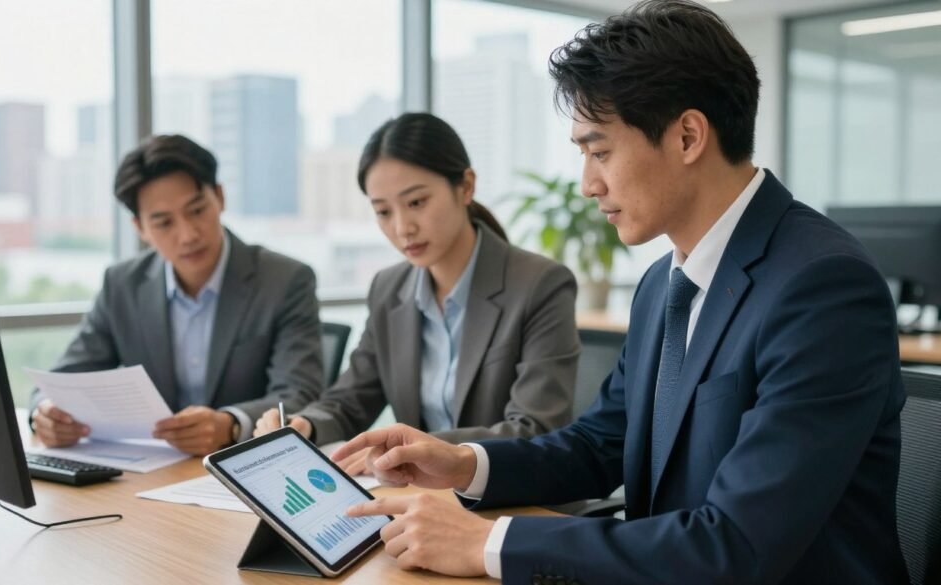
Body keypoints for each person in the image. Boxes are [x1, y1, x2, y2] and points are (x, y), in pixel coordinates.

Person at [333, 2, 909, 583]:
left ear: (687, 135)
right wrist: (461, 464)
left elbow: (736, 545)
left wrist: (488, 543)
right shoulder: (665, 283)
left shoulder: (823, 287)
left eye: (599, 151)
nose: (588, 184)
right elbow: (598, 445)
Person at [255, 113, 581, 475]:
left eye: (416, 203)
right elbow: (349, 401)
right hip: (422, 497)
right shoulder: (388, 289)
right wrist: (307, 426)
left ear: (466, 186)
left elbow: (535, 429)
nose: (402, 227)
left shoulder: (540, 285)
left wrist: (410, 451)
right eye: (383, 211)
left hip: (512, 500)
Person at [29, 134, 324, 456]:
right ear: (140, 228)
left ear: (220, 197)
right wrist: (45, 412)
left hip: (248, 466)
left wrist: (231, 424)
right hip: (153, 472)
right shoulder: (123, 284)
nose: (187, 235)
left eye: (197, 210)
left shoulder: (284, 280)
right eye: (164, 222)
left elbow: (299, 393)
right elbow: (64, 377)